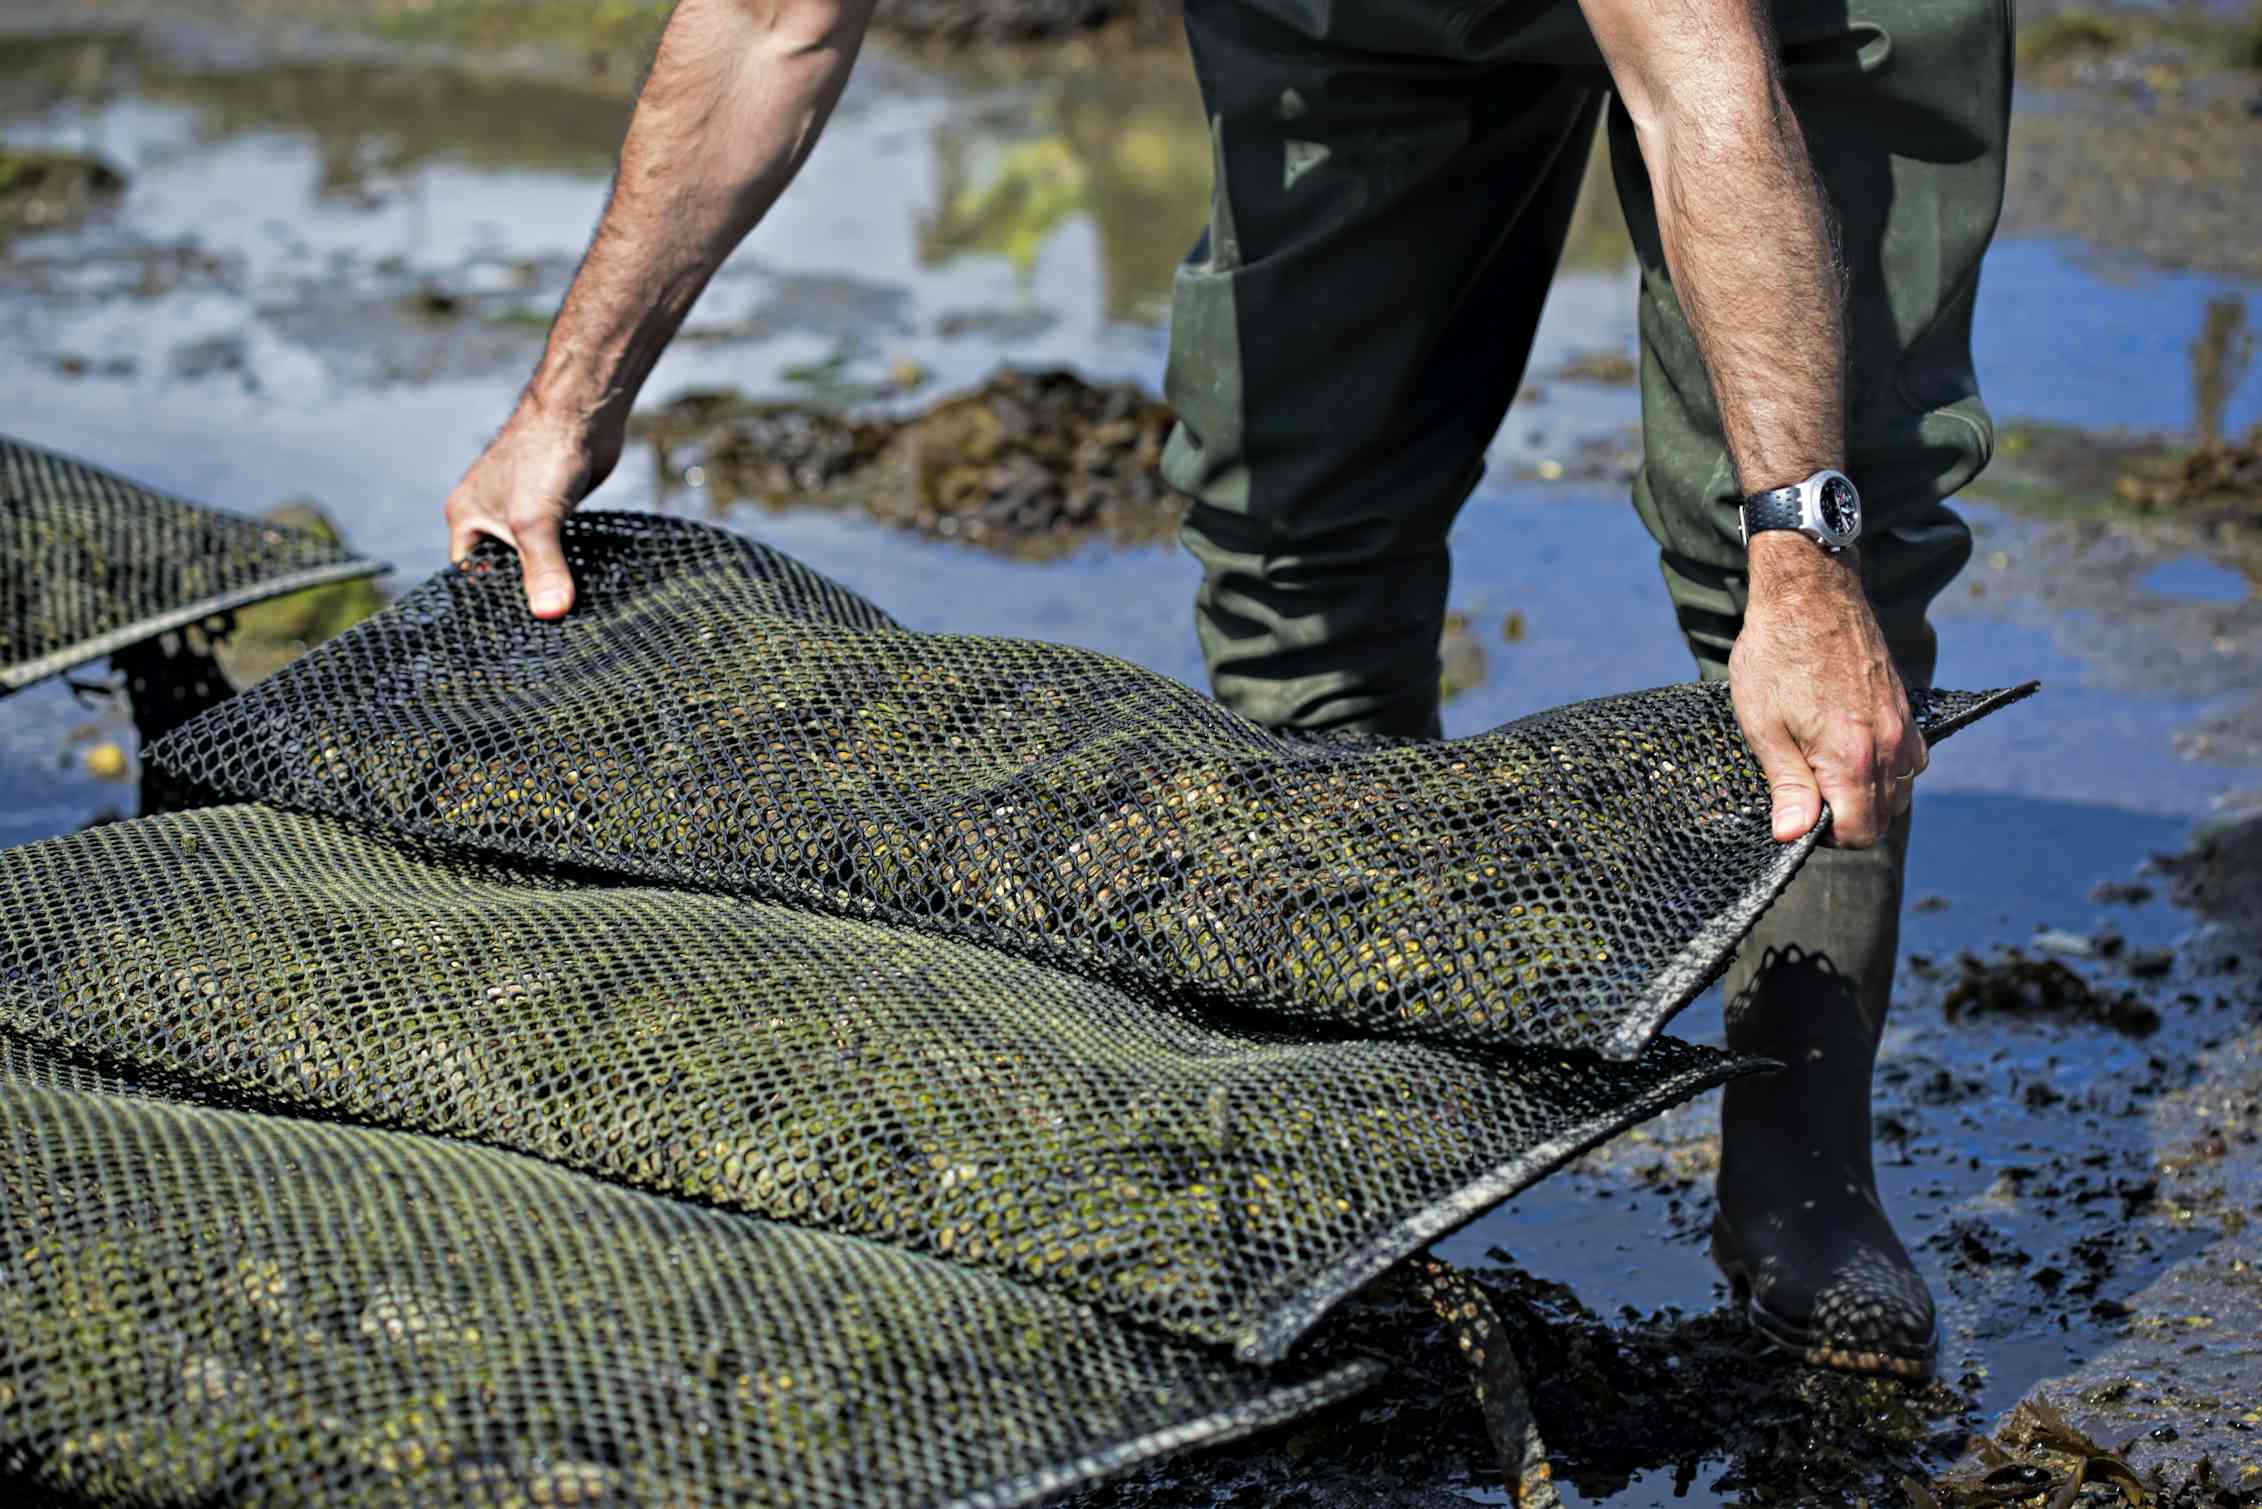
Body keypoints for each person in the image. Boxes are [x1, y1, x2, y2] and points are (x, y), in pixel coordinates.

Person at [442, 0, 2008, 1380]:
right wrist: (565, 402)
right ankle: (1361, 1113)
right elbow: (768, 25)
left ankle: (1801, 1170)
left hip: (1781, 23)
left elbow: (1703, 90)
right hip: (1355, 23)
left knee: (1820, 542)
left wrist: (1800, 554)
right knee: (1291, 513)